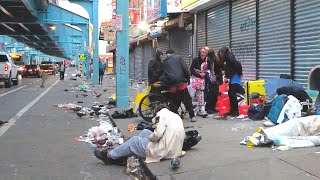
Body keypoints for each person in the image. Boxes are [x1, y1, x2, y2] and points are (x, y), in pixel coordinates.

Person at [93, 105, 185, 165]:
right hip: (175, 149)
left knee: (134, 140)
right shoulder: (173, 115)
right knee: (145, 132)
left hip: (164, 150)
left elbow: (158, 134)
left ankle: (109, 156)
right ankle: (128, 151)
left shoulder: (160, 115)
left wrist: (150, 138)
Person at [159, 49, 197, 122]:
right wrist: (188, 78)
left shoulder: (164, 62)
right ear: (173, 53)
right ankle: (192, 116)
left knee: (175, 100)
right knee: (187, 99)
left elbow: (163, 74)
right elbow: (185, 69)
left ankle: (170, 117)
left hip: (171, 84)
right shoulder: (179, 57)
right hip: (181, 83)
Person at [218, 47, 244, 117]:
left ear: (222, 53)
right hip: (233, 76)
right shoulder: (228, 57)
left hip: (235, 77)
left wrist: (238, 73)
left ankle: (235, 111)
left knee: (232, 94)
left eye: (220, 54)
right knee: (231, 93)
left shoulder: (229, 57)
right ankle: (233, 110)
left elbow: (237, 64)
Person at [190, 48, 208, 117]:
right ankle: (199, 108)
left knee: (201, 94)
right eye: (202, 53)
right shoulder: (195, 60)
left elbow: (209, 70)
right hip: (197, 80)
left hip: (204, 80)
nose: (203, 55)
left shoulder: (207, 61)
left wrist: (205, 74)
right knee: (198, 94)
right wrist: (198, 74)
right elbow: (191, 69)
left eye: (204, 53)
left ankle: (201, 108)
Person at [205, 48, 223, 114]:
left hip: (213, 79)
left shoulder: (209, 60)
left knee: (211, 94)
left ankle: (210, 108)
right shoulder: (216, 59)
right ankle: (211, 108)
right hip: (216, 79)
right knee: (214, 94)